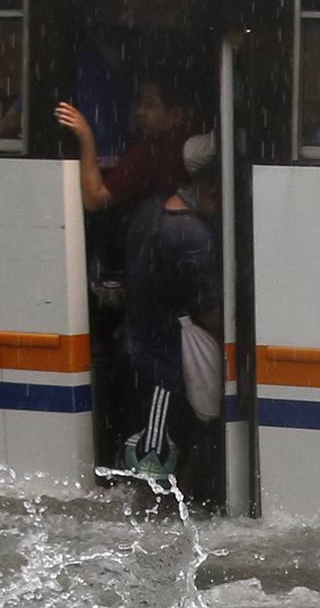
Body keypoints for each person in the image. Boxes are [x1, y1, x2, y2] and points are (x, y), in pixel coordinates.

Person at [117, 133, 222, 483]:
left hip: (137, 345)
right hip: (168, 367)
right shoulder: (194, 237)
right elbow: (212, 314)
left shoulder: (149, 211)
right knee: (156, 466)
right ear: (213, 191)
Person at [55, 77, 195, 213]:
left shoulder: (152, 152)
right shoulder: (191, 141)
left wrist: (85, 135)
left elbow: (94, 200)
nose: (140, 112)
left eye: (150, 105)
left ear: (176, 114)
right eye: (139, 103)